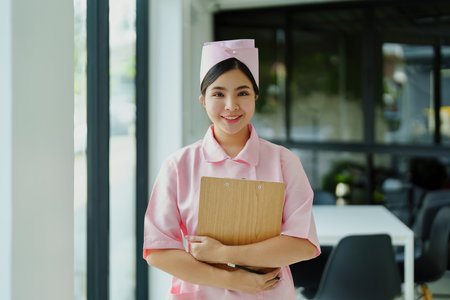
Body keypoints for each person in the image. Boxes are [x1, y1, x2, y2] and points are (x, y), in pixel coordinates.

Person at [143, 39, 320, 299]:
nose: (231, 105)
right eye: (218, 94)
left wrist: (225, 253)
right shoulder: (178, 165)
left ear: (256, 97)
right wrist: (233, 279)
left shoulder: (283, 162)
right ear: (203, 100)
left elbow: (303, 245)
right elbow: (158, 251)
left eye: (243, 92)